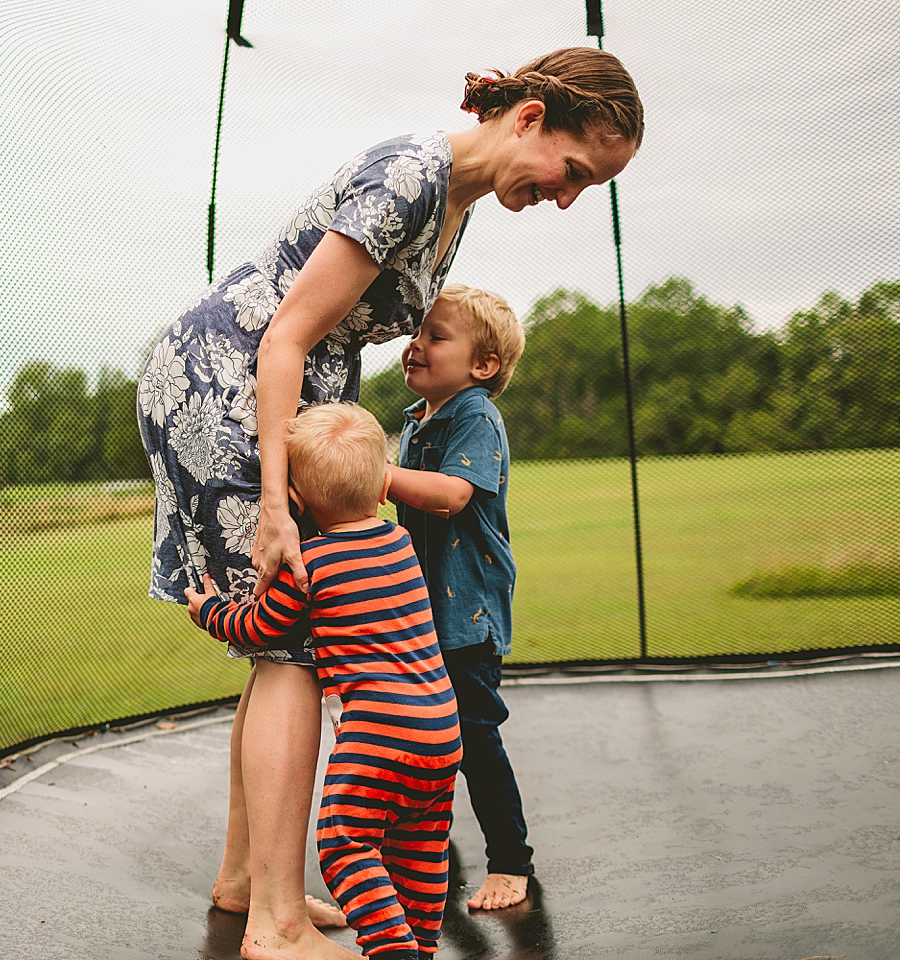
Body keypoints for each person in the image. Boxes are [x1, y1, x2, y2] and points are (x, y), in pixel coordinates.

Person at [139, 47, 642, 960]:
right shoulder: (414, 175)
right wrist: (279, 503)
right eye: (572, 172)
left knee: (285, 645)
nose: (567, 198)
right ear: (529, 118)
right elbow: (286, 334)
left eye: (587, 189)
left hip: (279, 388)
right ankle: (278, 923)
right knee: (295, 644)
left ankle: (249, 879)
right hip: (239, 382)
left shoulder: (459, 201)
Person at [185, 403, 462, 958]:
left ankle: (392, 951)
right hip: (440, 726)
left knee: (345, 843)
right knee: (421, 848)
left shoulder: (310, 563)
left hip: (378, 736)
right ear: (382, 489)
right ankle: (421, 947)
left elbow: (260, 626)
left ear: (299, 502)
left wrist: (210, 610)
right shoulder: (401, 544)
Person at [384, 285, 533, 911]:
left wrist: (370, 472)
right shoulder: (417, 422)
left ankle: (510, 861)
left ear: (483, 366)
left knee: (473, 737)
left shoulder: (474, 414)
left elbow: (450, 496)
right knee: (421, 735)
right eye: (416, 332)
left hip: (464, 617)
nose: (416, 344)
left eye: (435, 336)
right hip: (421, 617)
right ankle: (427, 854)